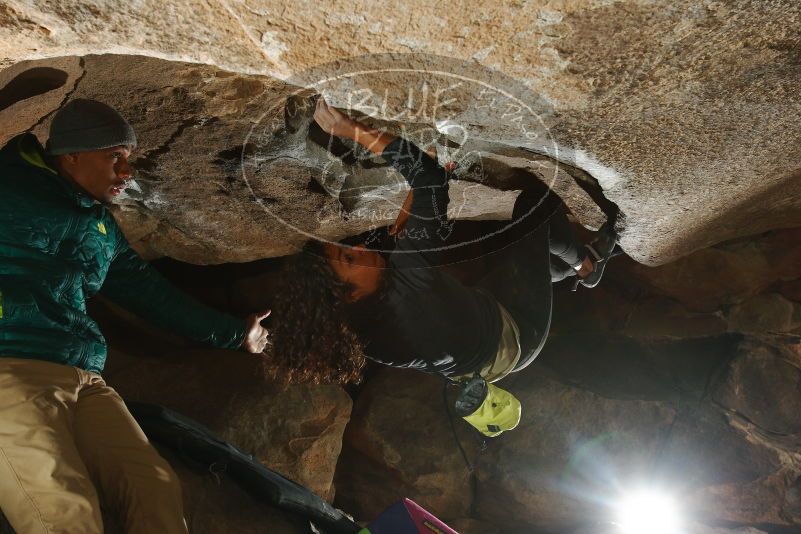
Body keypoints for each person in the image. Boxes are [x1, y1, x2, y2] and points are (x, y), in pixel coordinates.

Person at [0, 99, 271, 534]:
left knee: (154, 487)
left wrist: (235, 334)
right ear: (72, 155)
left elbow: (150, 293)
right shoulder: (8, 185)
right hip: (10, 369)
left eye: (127, 159)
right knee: (63, 509)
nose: (127, 171)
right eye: (115, 157)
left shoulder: (101, 227)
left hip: (83, 378)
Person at [272, 99, 616, 405]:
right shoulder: (409, 291)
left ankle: (561, 271)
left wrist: (419, 197)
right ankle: (585, 266)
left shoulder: (354, 325)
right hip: (515, 337)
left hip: (471, 318)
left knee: (514, 244)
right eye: (350, 258)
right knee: (531, 208)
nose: (359, 247)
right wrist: (353, 130)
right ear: (350, 295)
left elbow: (402, 241)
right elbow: (428, 180)